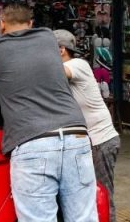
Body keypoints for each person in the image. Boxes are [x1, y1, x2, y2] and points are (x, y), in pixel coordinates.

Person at [0, 3, 97, 222]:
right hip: (76, 137)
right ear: (31, 24)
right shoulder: (46, 38)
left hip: (32, 142)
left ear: (2, 24)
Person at [54, 30, 120, 222]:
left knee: (102, 194)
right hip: (87, 142)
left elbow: (53, 71)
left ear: (61, 50)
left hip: (101, 141)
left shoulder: (77, 65)